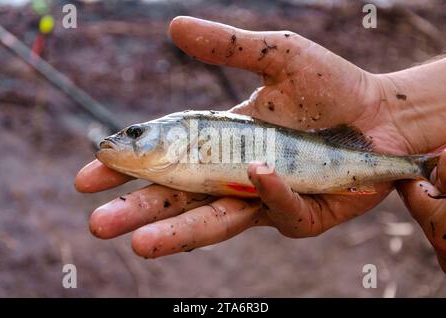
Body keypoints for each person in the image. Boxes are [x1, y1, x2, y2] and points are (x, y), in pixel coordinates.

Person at [75, 16, 446, 272]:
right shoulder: (177, 158)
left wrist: (392, 113)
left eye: (135, 133)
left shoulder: (190, 144)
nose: (121, 140)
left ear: (181, 137)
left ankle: (417, 164)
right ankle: (416, 164)